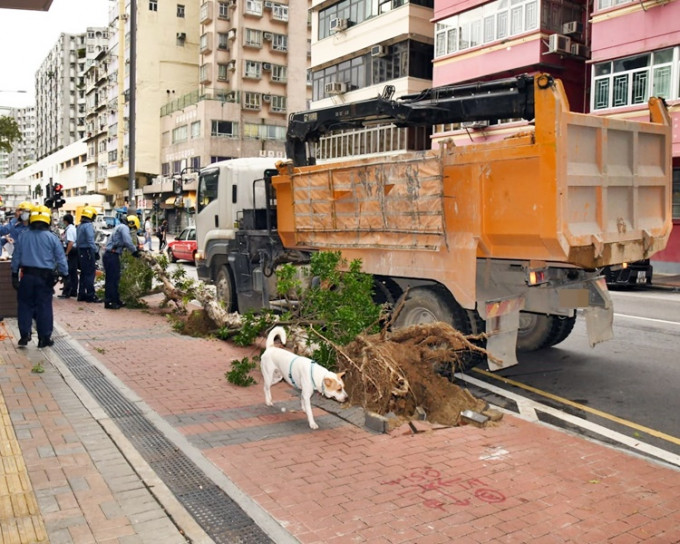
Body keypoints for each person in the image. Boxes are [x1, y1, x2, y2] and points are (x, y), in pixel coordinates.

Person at [11, 205, 68, 348]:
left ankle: (25, 335)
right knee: (44, 307)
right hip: (45, 279)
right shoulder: (52, 238)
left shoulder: (23, 236)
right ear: (47, 220)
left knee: (24, 306)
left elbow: (16, 257)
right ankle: (44, 338)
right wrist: (65, 275)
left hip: (27, 276)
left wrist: (13, 275)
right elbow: (61, 259)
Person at [102, 215, 140, 310]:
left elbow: (122, 242)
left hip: (110, 255)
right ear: (131, 224)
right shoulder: (124, 227)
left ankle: (115, 300)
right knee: (112, 280)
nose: (132, 230)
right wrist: (134, 251)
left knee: (113, 279)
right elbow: (127, 241)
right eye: (134, 228)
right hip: (112, 255)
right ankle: (111, 302)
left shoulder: (119, 227)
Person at [76, 206, 102, 303]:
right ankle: (91, 295)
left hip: (81, 251)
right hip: (88, 251)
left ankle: (81, 294)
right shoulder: (88, 226)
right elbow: (91, 240)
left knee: (83, 273)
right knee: (90, 273)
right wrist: (95, 252)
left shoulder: (80, 226)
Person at [59, 213, 79, 298]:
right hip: (72, 251)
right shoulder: (71, 228)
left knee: (69, 272)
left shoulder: (70, 229)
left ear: (66, 221)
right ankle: (72, 290)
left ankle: (68, 291)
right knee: (73, 272)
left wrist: (66, 253)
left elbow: (71, 242)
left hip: (71, 251)